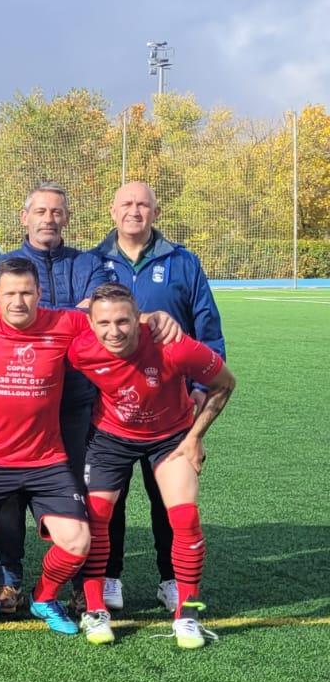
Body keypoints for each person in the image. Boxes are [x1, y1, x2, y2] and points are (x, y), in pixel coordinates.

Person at [0, 257, 179, 636]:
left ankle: (44, 597)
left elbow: (108, 320)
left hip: (45, 460)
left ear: (39, 293)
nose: (18, 301)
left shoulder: (64, 322)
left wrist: (151, 317)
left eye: (26, 292)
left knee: (78, 541)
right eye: (10, 293)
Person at [69, 283, 235, 646]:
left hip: (171, 437)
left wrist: (195, 437)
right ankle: (95, 610)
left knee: (185, 518)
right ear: (91, 323)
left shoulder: (173, 345)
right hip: (110, 437)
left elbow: (225, 383)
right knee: (96, 518)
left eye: (123, 321)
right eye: (104, 323)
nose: (114, 331)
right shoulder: (80, 346)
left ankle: (188, 613)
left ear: (138, 319)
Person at [94, 180, 227, 613]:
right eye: (127, 204)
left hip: (171, 411)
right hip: (112, 411)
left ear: (155, 212)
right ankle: (109, 576)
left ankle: (171, 579)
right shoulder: (93, 261)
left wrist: (199, 395)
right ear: (112, 211)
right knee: (108, 500)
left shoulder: (183, 262)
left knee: (168, 499)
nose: (135, 211)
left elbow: (209, 333)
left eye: (143, 205)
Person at [0, 182, 109, 611]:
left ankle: (73, 580)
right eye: (40, 211)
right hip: (14, 398)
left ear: (67, 218)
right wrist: (73, 314)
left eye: (56, 212)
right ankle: (10, 578)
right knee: (8, 495)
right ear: (25, 217)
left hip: (73, 399)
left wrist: (48, 319)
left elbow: (99, 318)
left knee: (72, 487)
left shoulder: (89, 263)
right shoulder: (2, 265)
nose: (48, 219)